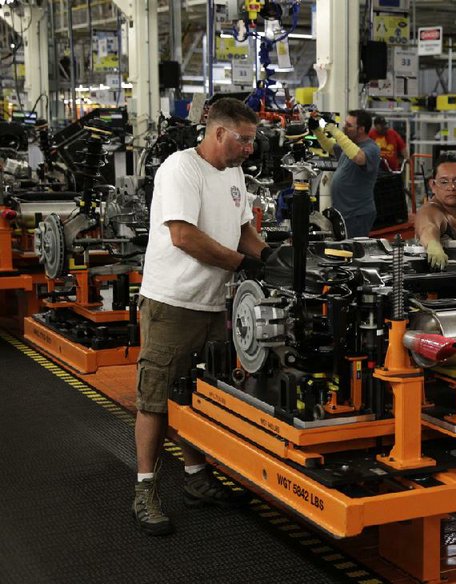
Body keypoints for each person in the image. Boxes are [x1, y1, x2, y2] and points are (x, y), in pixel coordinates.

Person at [133, 98, 270, 536]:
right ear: (217, 133)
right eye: (243, 139)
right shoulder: (180, 168)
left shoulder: (234, 174)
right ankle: (144, 488)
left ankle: (195, 480)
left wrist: (274, 260)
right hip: (173, 302)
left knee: (197, 396)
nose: (250, 147)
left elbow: (244, 229)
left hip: (214, 305)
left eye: (251, 140)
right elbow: (183, 235)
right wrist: (239, 263)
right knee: (155, 398)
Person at [309, 109, 381, 237]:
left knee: (352, 251)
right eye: (345, 124)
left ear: (361, 129)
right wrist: (317, 130)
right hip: (344, 212)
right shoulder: (349, 145)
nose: (344, 127)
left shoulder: (371, 148)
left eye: (349, 125)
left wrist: (335, 131)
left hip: (357, 213)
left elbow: (359, 157)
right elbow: (330, 147)